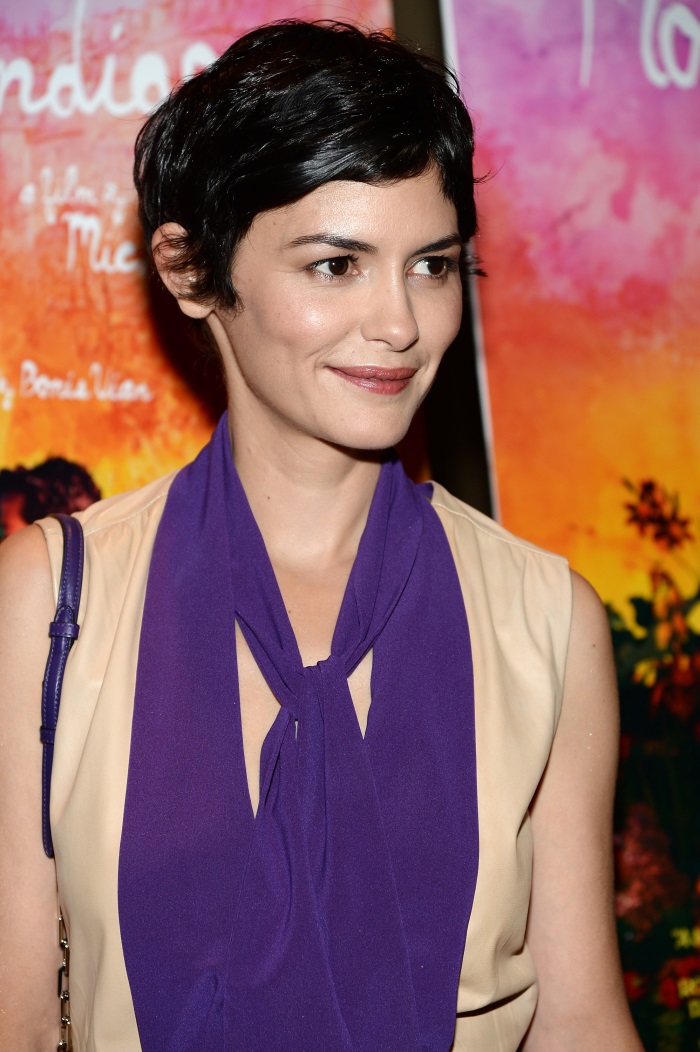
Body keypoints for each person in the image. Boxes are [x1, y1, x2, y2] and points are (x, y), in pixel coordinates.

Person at [0, 20, 643, 1052]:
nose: (400, 322)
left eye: (431, 265)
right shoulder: (51, 597)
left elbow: (578, 1022)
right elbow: (20, 1018)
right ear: (190, 271)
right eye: (338, 264)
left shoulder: (543, 618)